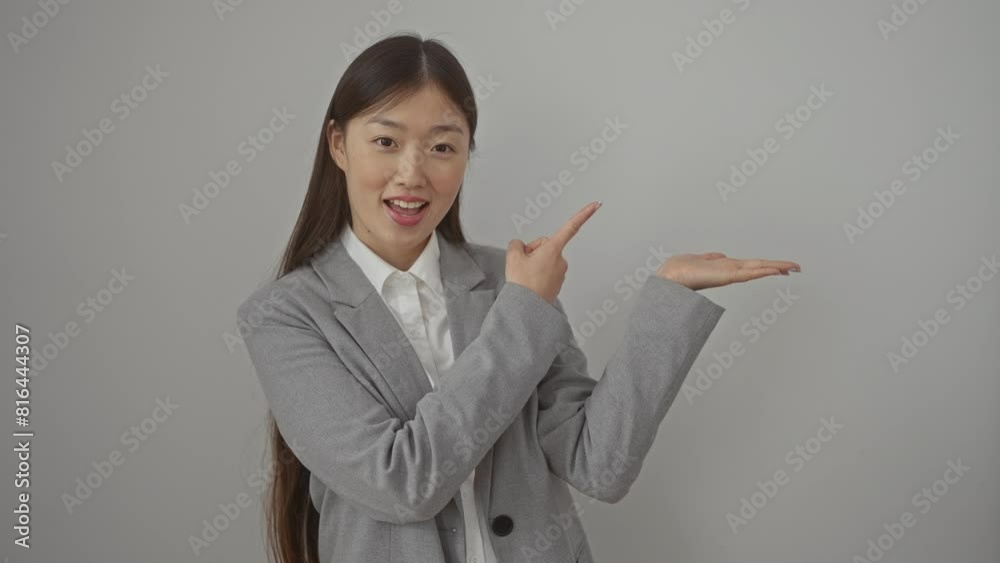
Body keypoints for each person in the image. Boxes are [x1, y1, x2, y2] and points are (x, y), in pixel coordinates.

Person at [236, 32, 800, 563]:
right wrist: (523, 314)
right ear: (339, 144)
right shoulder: (285, 316)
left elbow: (597, 463)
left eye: (442, 146)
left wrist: (670, 302)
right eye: (385, 141)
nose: (411, 173)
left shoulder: (510, 280)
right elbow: (401, 484)